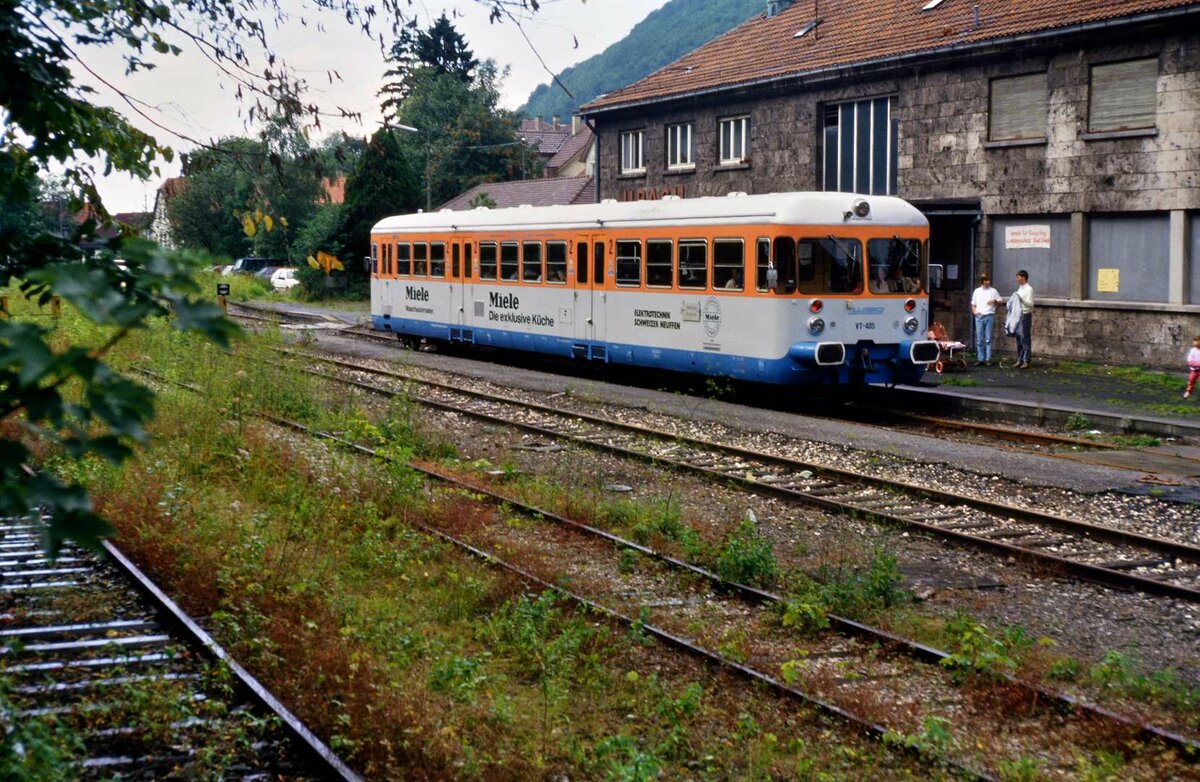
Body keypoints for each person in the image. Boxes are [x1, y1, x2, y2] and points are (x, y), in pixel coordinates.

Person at [970, 273, 1003, 366]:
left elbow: (1000, 301)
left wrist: (995, 301)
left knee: (988, 338)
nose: (988, 282)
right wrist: (974, 311)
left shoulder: (993, 291)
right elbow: (973, 303)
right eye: (986, 280)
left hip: (989, 315)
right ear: (983, 281)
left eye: (989, 280)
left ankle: (988, 359)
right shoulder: (977, 291)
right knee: (980, 339)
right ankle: (980, 358)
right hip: (979, 315)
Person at [1006, 269, 1034, 369]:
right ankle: (1020, 359)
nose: (1016, 279)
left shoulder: (1029, 289)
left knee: (1025, 338)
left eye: (1018, 277)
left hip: (1025, 314)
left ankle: (1026, 360)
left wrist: (1021, 299)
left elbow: (1030, 304)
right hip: (1017, 314)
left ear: (1024, 277)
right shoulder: (1020, 288)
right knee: (1018, 337)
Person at [1185, 335, 1200, 399]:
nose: (1194, 342)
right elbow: (1190, 360)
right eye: (1194, 341)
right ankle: (1188, 392)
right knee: (1191, 380)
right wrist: (1197, 364)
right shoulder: (1193, 350)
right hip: (1194, 370)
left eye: (1196, 341)